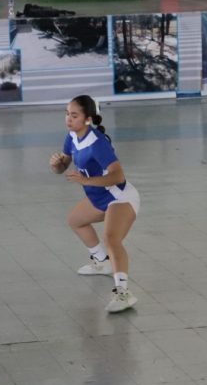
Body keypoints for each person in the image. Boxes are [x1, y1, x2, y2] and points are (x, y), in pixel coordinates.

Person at [49, 95, 140, 313]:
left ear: (88, 119)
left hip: (119, 197)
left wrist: (85, 181)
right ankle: (102, 262)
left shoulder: (97, 143)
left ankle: (123, 293)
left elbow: (118, 176)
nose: (68, 119)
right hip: (98, 199)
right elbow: (63, 166)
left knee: (111, 239)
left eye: (74, 115)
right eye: (67, 114)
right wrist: (56, 165)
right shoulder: (72, 137)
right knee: (75, 220)